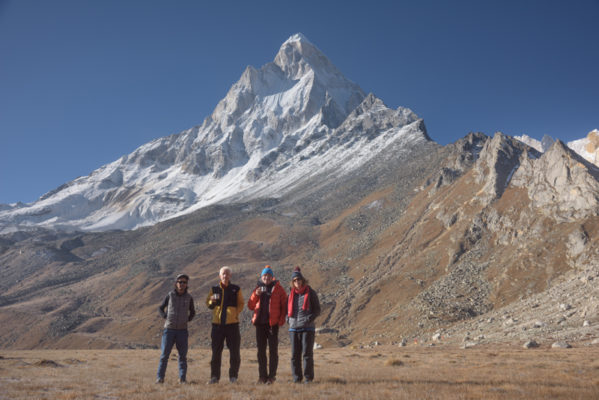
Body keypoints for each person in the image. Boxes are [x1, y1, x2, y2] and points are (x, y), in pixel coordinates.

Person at [247, 265, 288, 384]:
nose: (267, 277)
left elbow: (284, 306)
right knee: (261, 352)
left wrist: (280, 321)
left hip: (272, 325)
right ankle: (262, 376)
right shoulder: (257, 288)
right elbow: (250, 305)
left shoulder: (278, 289)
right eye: (264, 275)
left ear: (272, 277)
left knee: (273, 351)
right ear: (261, 277)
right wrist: (256, 294)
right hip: (260, 325)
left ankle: (272, 377)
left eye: (269, 275)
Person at [206, 266, 244, 384]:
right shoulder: (214, 289)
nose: (225, 276)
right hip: (217, 326)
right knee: (216, 353)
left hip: (232, 325)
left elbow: (241, 303)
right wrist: (212, 300)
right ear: (219, 276)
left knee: (235, 353)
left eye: (227, 274)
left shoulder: (236, 289)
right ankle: (214, 377)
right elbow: (209, 304)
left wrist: (234, 314)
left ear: (230, 276)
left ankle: (233, 377)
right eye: (223, 274)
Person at [156, 274, 195, 384]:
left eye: (184, 282)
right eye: (180, 282)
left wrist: (186, 320)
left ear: (187, 284)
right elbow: (160, 308)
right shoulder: (170, 295)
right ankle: (160, 378)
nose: (182, 284)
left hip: (182, 331)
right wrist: (165, 317)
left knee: (182, 356)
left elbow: (193, 312)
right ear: (176, 283)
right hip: (169, 330)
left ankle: (182, 379)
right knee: (164, 355)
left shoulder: (189, 298)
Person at [287, 267, 321, 384]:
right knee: (294, 355)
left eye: (299, 279)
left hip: (307, 328)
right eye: (295, 280)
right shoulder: (290, 294)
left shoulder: (310, 292)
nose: (297, 282)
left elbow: (317, 309)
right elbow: (287, 310)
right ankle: (297, 378)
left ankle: (308, 379)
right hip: (293, 328)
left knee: (307, 354)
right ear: (293, 282)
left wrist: (309, 318)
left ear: (303, 280)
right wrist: (288, 319)